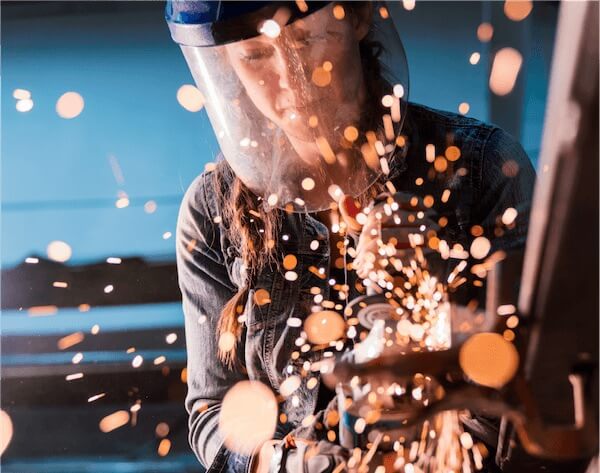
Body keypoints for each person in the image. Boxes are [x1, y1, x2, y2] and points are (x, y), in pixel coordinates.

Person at [166, 2, 535, 472]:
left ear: (358, 17)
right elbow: (212, 412)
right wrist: (291, 462)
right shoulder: (213, 212)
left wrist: (437, 303)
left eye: (304, 40)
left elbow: (529, 399)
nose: (293, 77)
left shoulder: (481, 168)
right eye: (256, 56)